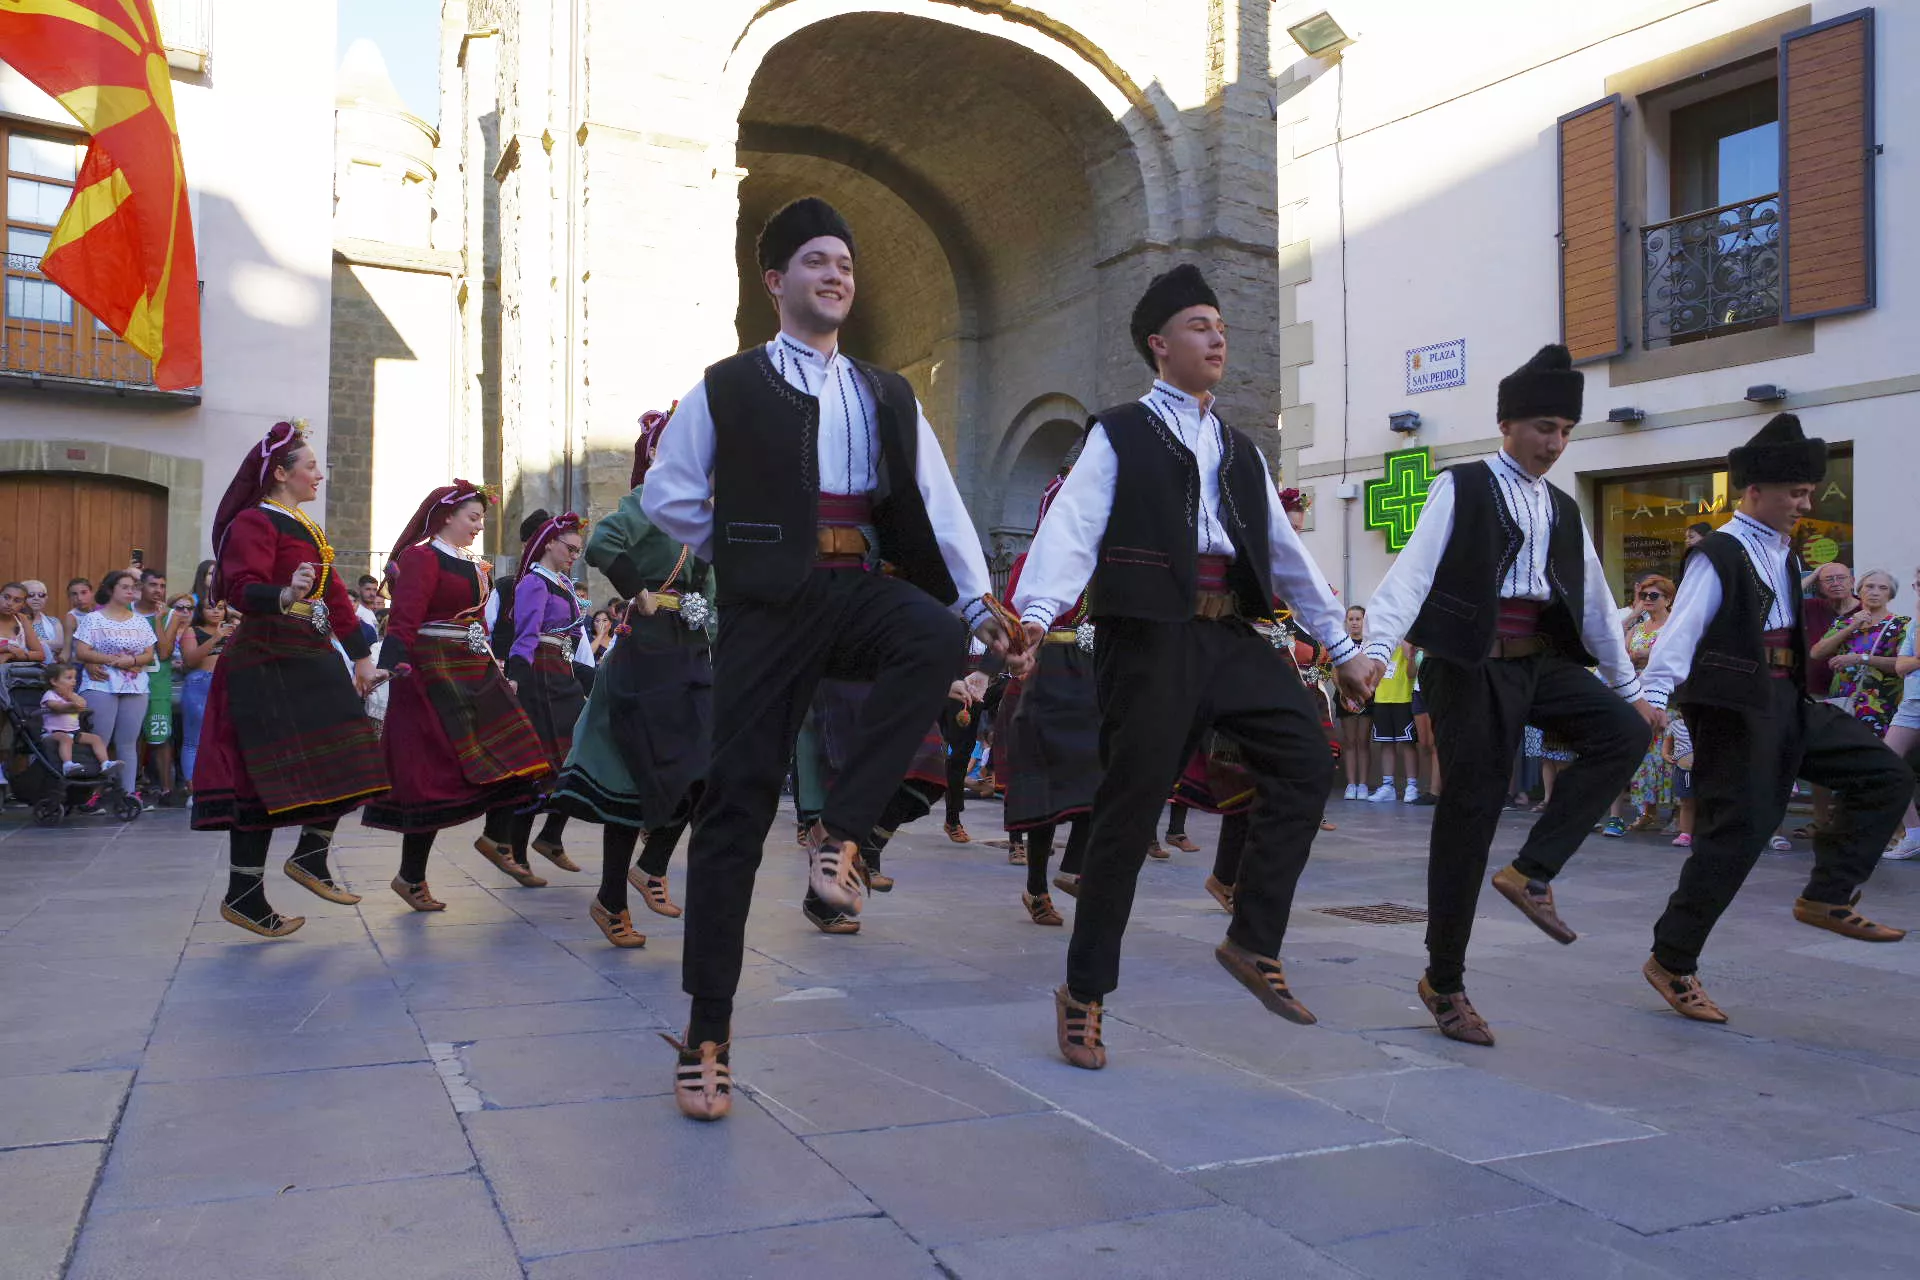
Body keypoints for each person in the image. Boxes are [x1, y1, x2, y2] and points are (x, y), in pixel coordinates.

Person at [642, 196, 1008, 1119]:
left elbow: (937, 499)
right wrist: (749, 548)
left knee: (932, 635)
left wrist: (976, 598)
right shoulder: (726, 385)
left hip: (858, 587)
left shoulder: (886, 391)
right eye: (815, 261)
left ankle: (843, 835)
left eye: (844, 262)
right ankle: (708, 1034)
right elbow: (668, 497)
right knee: (732, 810)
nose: (836, 274)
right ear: (776, 282)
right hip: (770, 608)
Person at [1012, 263, 1368, 1071]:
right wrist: (1036, 616)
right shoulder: (1120, 431)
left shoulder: (1239, 449)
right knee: (1127, 818)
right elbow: (1072, 528)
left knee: (1309, 760)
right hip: (1151, 639)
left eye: (1221, 327)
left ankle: (1252, 939)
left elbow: (1282, 553)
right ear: (1158, 344)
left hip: (1234, 635)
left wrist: (1341, 650)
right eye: (1200, 325)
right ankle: (1084, 994)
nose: (1217, 337)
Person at [1358, 343, 1656, 1047]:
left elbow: (1592, 601)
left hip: (1538, 661)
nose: (1554, 443)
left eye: (1564, 431)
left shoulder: (1561, 506)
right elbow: (1411, 574)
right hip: (1467, 667)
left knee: (1624, 732)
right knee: (1469, 816)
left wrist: (1631, 689)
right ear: (1508, 424)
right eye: (1543, 427)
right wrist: (1374, 653)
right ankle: (1445, 981)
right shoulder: (1460, 486)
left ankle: (1531, 871)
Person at [1640, 413, 1909, 1021]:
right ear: (1754, 490)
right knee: (1735, 838)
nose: (1805, 503)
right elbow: (1677, 636)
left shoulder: (1783, 554)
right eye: (1796, 492)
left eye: (1810, 492)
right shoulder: (1719, 552)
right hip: (1738, 710)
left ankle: (1827, 895)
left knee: (1886, 775)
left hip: (1787, 700)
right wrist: (1654, 700)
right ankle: (1672, 961)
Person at [191, 421, 389, 936]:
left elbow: (336, 597)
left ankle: (310, 856)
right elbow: (239, 587)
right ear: (280, 473)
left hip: (309, 655)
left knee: (354, 753)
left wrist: (362, 657)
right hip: (267, 659)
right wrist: (284, 592)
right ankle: (245, 894)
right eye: (310, 466)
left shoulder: (306, 527)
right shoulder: (255, 523)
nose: (319, 474)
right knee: (262, 776)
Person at [551, 410, 717, 946]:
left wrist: (710, 618)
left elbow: (709, 584)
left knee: (706, 768)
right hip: (646, 656)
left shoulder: (699, 516)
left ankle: (650, 865)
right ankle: (611, 900)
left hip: (688, 654)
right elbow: (603, 545)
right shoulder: (647, 502)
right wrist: (636, 589)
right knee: (630, 779)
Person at [362, 482, 552, 907]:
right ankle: (411, 876)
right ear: (446, 516)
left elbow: (479, 624)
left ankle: (496, 838)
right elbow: (405, 619)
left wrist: (494, 660)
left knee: (519, 745)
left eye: (482, 518)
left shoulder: (475, 566)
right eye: (473, 517)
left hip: (474, 668)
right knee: (429, 776)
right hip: (430, 671)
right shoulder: (422, 557)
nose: (479, 525)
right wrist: (388, 666)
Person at [999, 475, 1098, 926]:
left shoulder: (1099, 566)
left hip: (1092, 679)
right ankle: (1037, 888)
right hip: (1044, 683)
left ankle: (1075, 865)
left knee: (1101, 774)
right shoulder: (1028, 565)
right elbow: (1012, 621)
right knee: (1045, 792)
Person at [498, 511, 593, 875]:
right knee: (544, 765)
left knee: (575, 756)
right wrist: (518, 677)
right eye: (570, 548)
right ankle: (519, 851)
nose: (573, 556)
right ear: (549, 543)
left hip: (561, 672)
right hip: (541, 678)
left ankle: (550, 835)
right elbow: (526, 636)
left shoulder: (560, 582)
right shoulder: (534, 583)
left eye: (577, 551)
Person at [71, 570, 151, 798]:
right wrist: (115, 661)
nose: (130, 591)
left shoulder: (140, 621)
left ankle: (128, 793)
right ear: (110, 590)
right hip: (101, 682)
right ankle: (90, 792)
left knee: (128, 741)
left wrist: (133, 660)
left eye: (132, 587)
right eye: (124, 587)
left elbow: (149, 654)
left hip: (134, 685)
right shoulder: (94, 619)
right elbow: (82, 651)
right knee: (100, 739)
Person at [1608, 573, 1677, 835]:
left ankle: (1673, 814)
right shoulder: (1637, 628)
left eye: (1653, 595)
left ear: (1667, 599)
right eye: (1644, 595)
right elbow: (1620, 653)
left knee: (1665, 757)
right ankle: (1644, 812)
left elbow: (1677, 654)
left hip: (1666, 697)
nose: (1647, 599)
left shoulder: (1674, 625)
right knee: (1638, 756)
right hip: (1635, 695)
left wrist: (1647, 655)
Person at [1809, 568, 1909, 739]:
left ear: (1890, 595)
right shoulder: (1843, 622)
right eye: (1869, 586)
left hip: (1881, 708)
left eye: (1882, 588)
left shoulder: (1902, 624)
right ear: (1859, 590)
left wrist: (1860, 659)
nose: (1875, 592)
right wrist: (1852, 626)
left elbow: (1903, 665)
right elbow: (1816, 653)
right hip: (1842, 705)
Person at [178, 595, 233, 789]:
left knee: (225, 738)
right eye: (210, 607)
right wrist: (216, 638)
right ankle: (193, 790)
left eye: (221, 607)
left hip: (228, 685)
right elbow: (190, 660)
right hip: (200, 683)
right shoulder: (191, 631)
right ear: (201, 611)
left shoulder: (233, 630)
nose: (216, 611)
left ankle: (222, 785)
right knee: (195, 739)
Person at [1366, 643, 1418, 802]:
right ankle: (1388, 786)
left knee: (1408, 743)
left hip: (1404, 698)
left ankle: (1412, 786)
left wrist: (1409, 654)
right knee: (1386, 743)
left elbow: (1411, 673)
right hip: (1382, 698)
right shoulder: (1378, 642)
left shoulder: (1406, 641)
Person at [39, 663, 107, 775]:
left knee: (96, 739)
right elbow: (56, 707)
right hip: (53, 733)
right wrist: (70, 706)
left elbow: (83, 704)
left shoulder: (72, 696)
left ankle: (105, 763)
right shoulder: (50, 695)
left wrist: (71, 696)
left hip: (73, 732)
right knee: (65, 739)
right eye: (69, 678)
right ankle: (67, 765)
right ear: (54, 681)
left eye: (75, 678)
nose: (74, 681)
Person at [1338, 606, 1372, 798]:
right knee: (1350, 742)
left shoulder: (1370, 643)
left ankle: (1363, 784)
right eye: (1351, 619)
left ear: (1364, 621)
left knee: (1363, 741)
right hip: (1346, 697)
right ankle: (1351, 784)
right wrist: (1345, 694)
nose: (1354, 622)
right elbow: (1335, 671)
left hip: (1366, 696)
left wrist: (1363, 693)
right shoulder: (1340, 643)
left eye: (1358, 619)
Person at [0, 583, 47, 666]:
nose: (10, 603)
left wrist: (11, 655)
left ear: (23, 605)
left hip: (14, 672)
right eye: (6, 597)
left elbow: (40, 654)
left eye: (17, 601)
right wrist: (7, 648)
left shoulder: (21, 619)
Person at [20, 581, 64, 662]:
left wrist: (32, 644)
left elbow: (59, 645)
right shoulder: (15, 620)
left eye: (41, 595)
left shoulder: (53, 621)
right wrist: (48, 644)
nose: (36, 598)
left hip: (50, 670)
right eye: (31, 595)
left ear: (46, 598)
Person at [63, 578, 95, 660]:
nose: (79, 598)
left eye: (84, 593)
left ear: (92, 593)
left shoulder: (101, 612)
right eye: (74, 594)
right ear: (69, 597)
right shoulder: (71, 617)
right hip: (80, 663)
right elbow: (66, 649)